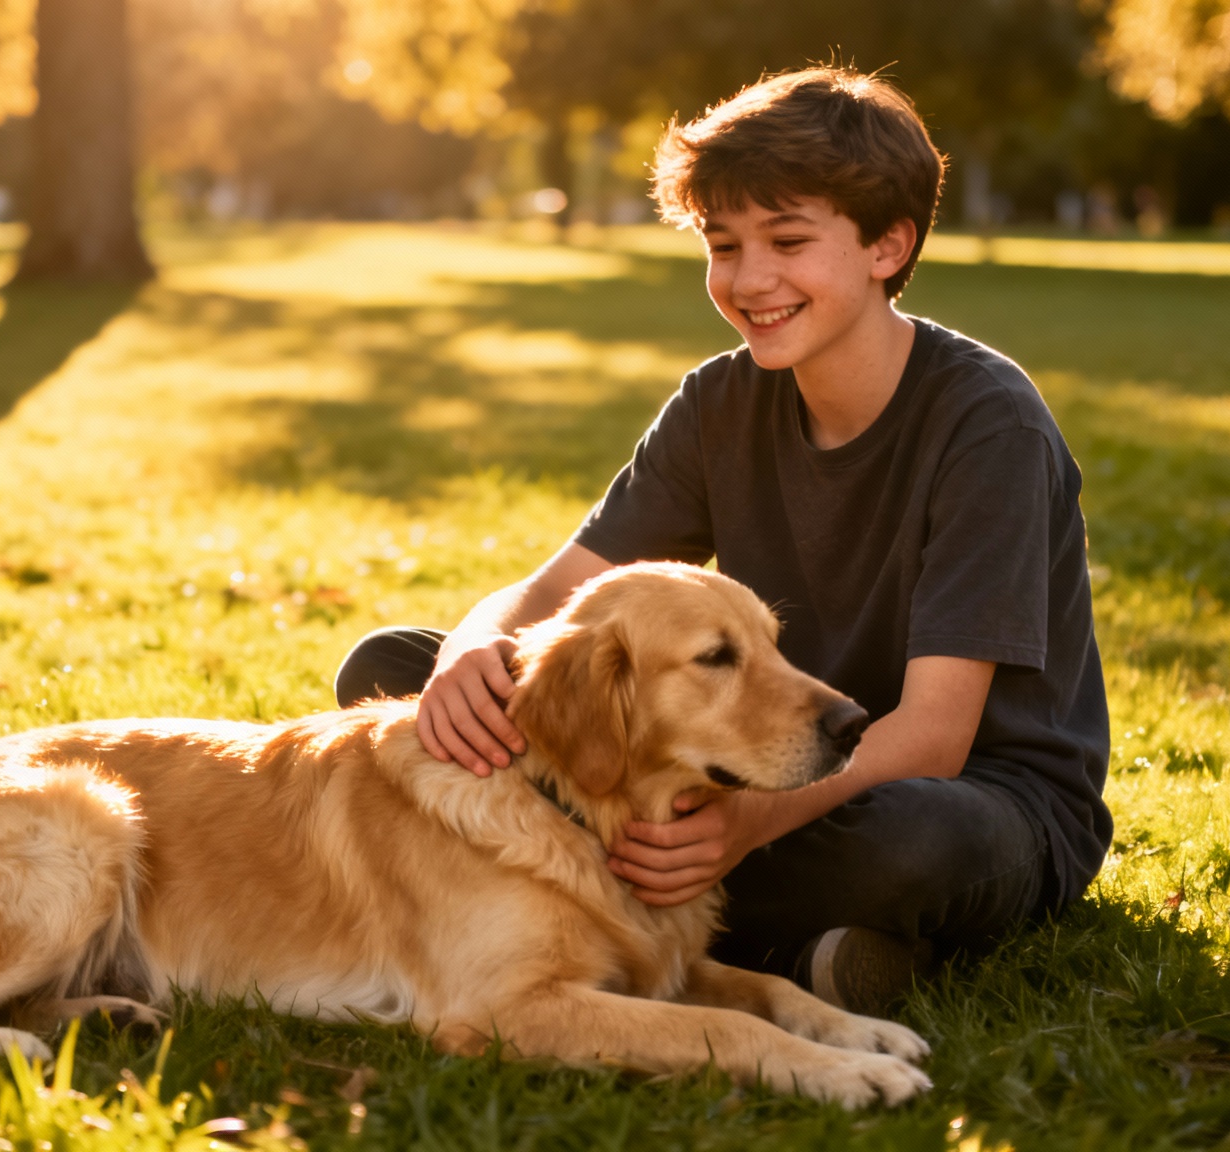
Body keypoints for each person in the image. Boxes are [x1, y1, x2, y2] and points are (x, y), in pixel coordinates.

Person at [333, 67, 1110, 1015]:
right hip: (747, 747)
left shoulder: (989, 426)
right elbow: (563, 587)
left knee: (914, 843)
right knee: (391, 669)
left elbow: (936, 734)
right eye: (723, 244)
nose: (749, 281)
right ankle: (802, 950)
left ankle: (558, 906)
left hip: (962, 799)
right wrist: (467, 656)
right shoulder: (719, 400)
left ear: (887, 245)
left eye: (787, 242)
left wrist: (744, 825)